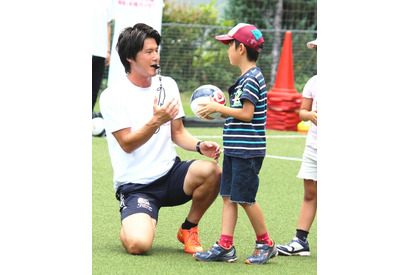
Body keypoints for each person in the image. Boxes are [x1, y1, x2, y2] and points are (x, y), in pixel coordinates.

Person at [99, 23, 222, 255]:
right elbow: (127, 144)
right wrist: (156, 120)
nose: (156, 56)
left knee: (212, 171)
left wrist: (198, 146)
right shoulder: (112, 96)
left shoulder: (168, 84)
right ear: (130, 58)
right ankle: (135, 220)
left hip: (171, 174)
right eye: (148, 51)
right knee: (139, 245)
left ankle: (189, 228)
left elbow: (177, 133)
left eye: (157, 50)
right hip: (137, 187)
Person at [192, 23, 277, 265]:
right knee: (228, 196)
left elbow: (247, 114)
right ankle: (225, 246)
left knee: (245, 198)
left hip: (247, 152)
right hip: (235, 149)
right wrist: (220, 113)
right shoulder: (245, 78)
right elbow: (238, 112)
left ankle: (266, 243)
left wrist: (219, 108)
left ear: (240, 48)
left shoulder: (251, 79)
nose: (227, 50)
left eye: (229, 45)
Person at [276, 39, 317, 256]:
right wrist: (310, 115)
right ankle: (301, 241)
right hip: (313, 147)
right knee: (310, 194)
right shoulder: (314, 82)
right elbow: (302, 112)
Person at [92, 0, 114, 113]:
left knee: (94, 91)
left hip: (100, 52)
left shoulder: (108, 2)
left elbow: (107, 24)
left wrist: (108, 50)